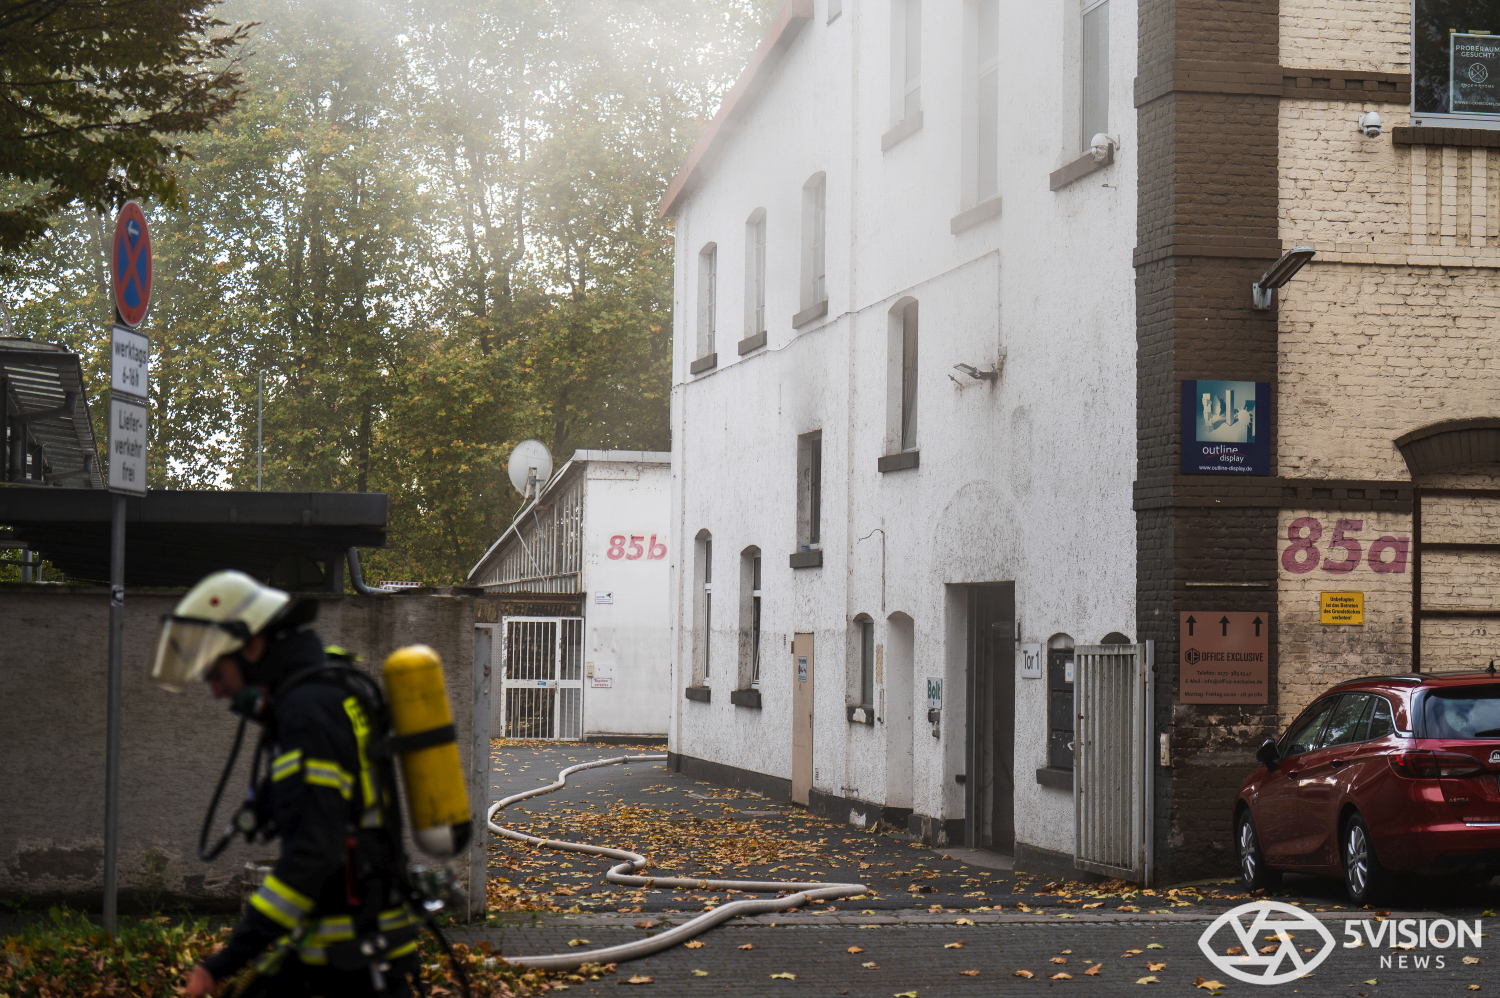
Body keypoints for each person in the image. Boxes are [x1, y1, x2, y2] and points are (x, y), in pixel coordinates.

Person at [152, 570, 421, 998]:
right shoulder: (329, 685)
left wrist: (223, 962)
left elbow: (313, 854)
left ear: (252, 646)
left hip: (346, 959)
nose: (217, 692)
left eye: (216, 673)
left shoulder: (307, 710)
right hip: (351, 942)